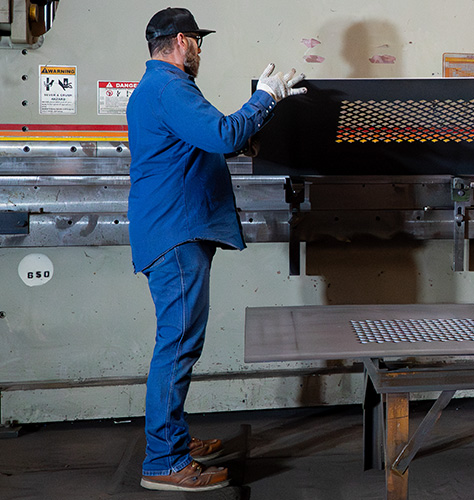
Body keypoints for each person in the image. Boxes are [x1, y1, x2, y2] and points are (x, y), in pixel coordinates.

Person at [127, 7, 306, 491]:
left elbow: (202, 142)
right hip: (176, 233)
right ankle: (164, 462)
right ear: (183, 42)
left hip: (171, 230)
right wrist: (264, 100)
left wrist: (243, 141)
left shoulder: (156, 88)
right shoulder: (170, 87)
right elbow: (221, 131)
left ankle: (175, 442)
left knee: (179, 341)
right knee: (179, 344)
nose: (201, 52)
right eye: (199, 43)